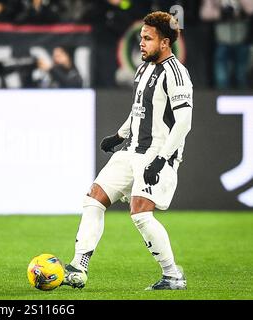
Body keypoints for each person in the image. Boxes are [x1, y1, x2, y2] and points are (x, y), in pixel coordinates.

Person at [62, 11, 192, 290]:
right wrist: (118, 135)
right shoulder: (143, 68)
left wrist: (161, 159)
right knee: (94, 198)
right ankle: (79, 266)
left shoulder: (177, 74)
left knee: (141, 214)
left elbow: (184, 122)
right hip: (131, 149)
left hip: (157, 153)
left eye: (148, 38)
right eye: (141, 37)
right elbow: (138, 111)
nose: (141, 43)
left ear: (166, 42)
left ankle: (172, 275)